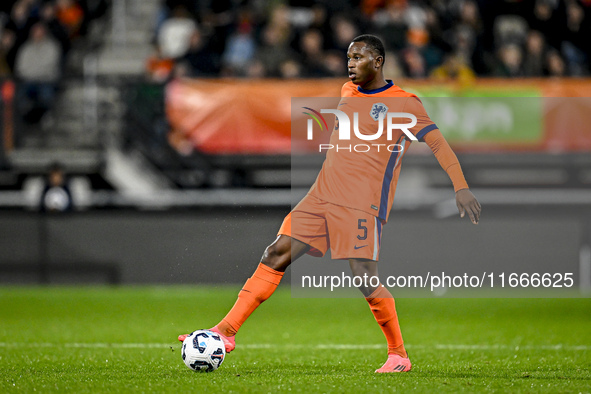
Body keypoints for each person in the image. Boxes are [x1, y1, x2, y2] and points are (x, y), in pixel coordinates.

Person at [179, 34, 481, 373]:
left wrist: (461, 187)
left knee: (365, 277)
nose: (350, 64)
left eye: (358, 58)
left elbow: (439, 145)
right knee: (275, 253)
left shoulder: (405, 103)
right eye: (348, 58)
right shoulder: (346, 91)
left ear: (378, 61)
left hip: (361, 204)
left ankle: (399, 355)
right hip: (322, 195)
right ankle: (226, 331)